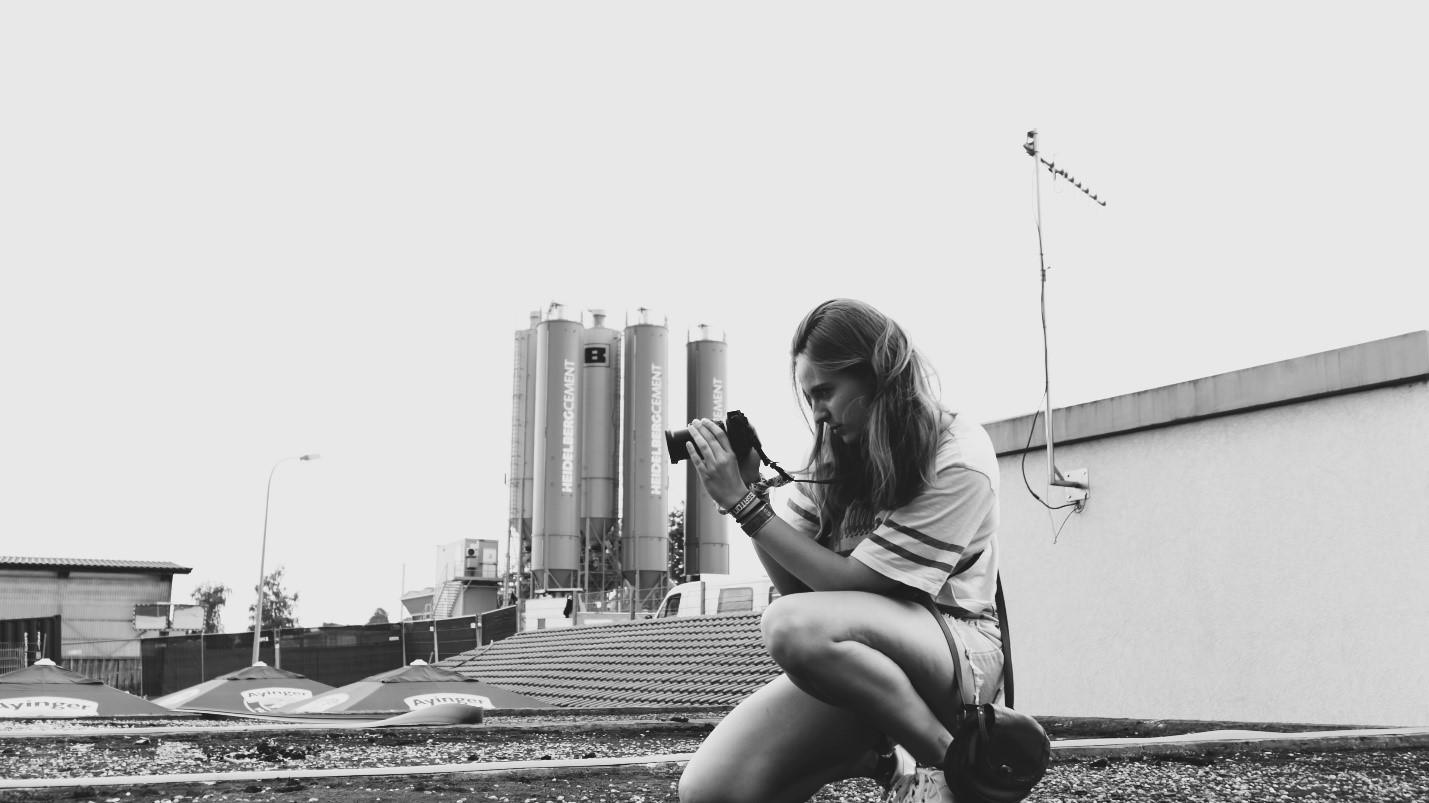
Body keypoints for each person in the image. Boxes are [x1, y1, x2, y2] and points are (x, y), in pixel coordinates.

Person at [676, 298, 1013, 803]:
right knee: (710, 791)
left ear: (877, 374)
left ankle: (955, 764)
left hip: (957, 654)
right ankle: (875, 752)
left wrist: (744, 506)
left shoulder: (957, 456)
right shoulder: (836, 456)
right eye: (811, 396)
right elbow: (798, 587)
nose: (819, 413)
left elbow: (857, 588)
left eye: (826, 392)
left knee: (790, 625)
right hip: (862, 660)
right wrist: (752, 497)